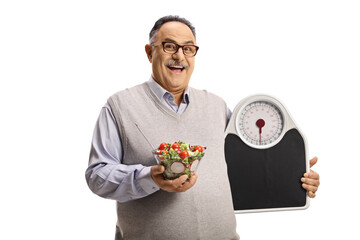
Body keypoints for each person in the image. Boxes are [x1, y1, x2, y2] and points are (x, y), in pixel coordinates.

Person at [85, 15, 320, 240]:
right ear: (149, 52)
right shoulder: (119, 106)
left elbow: (243, 168)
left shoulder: (217, 107)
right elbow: (97, 176)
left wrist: (291, 173)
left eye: (188, 48)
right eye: (169, 46)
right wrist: (150, 177)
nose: (180, 56)